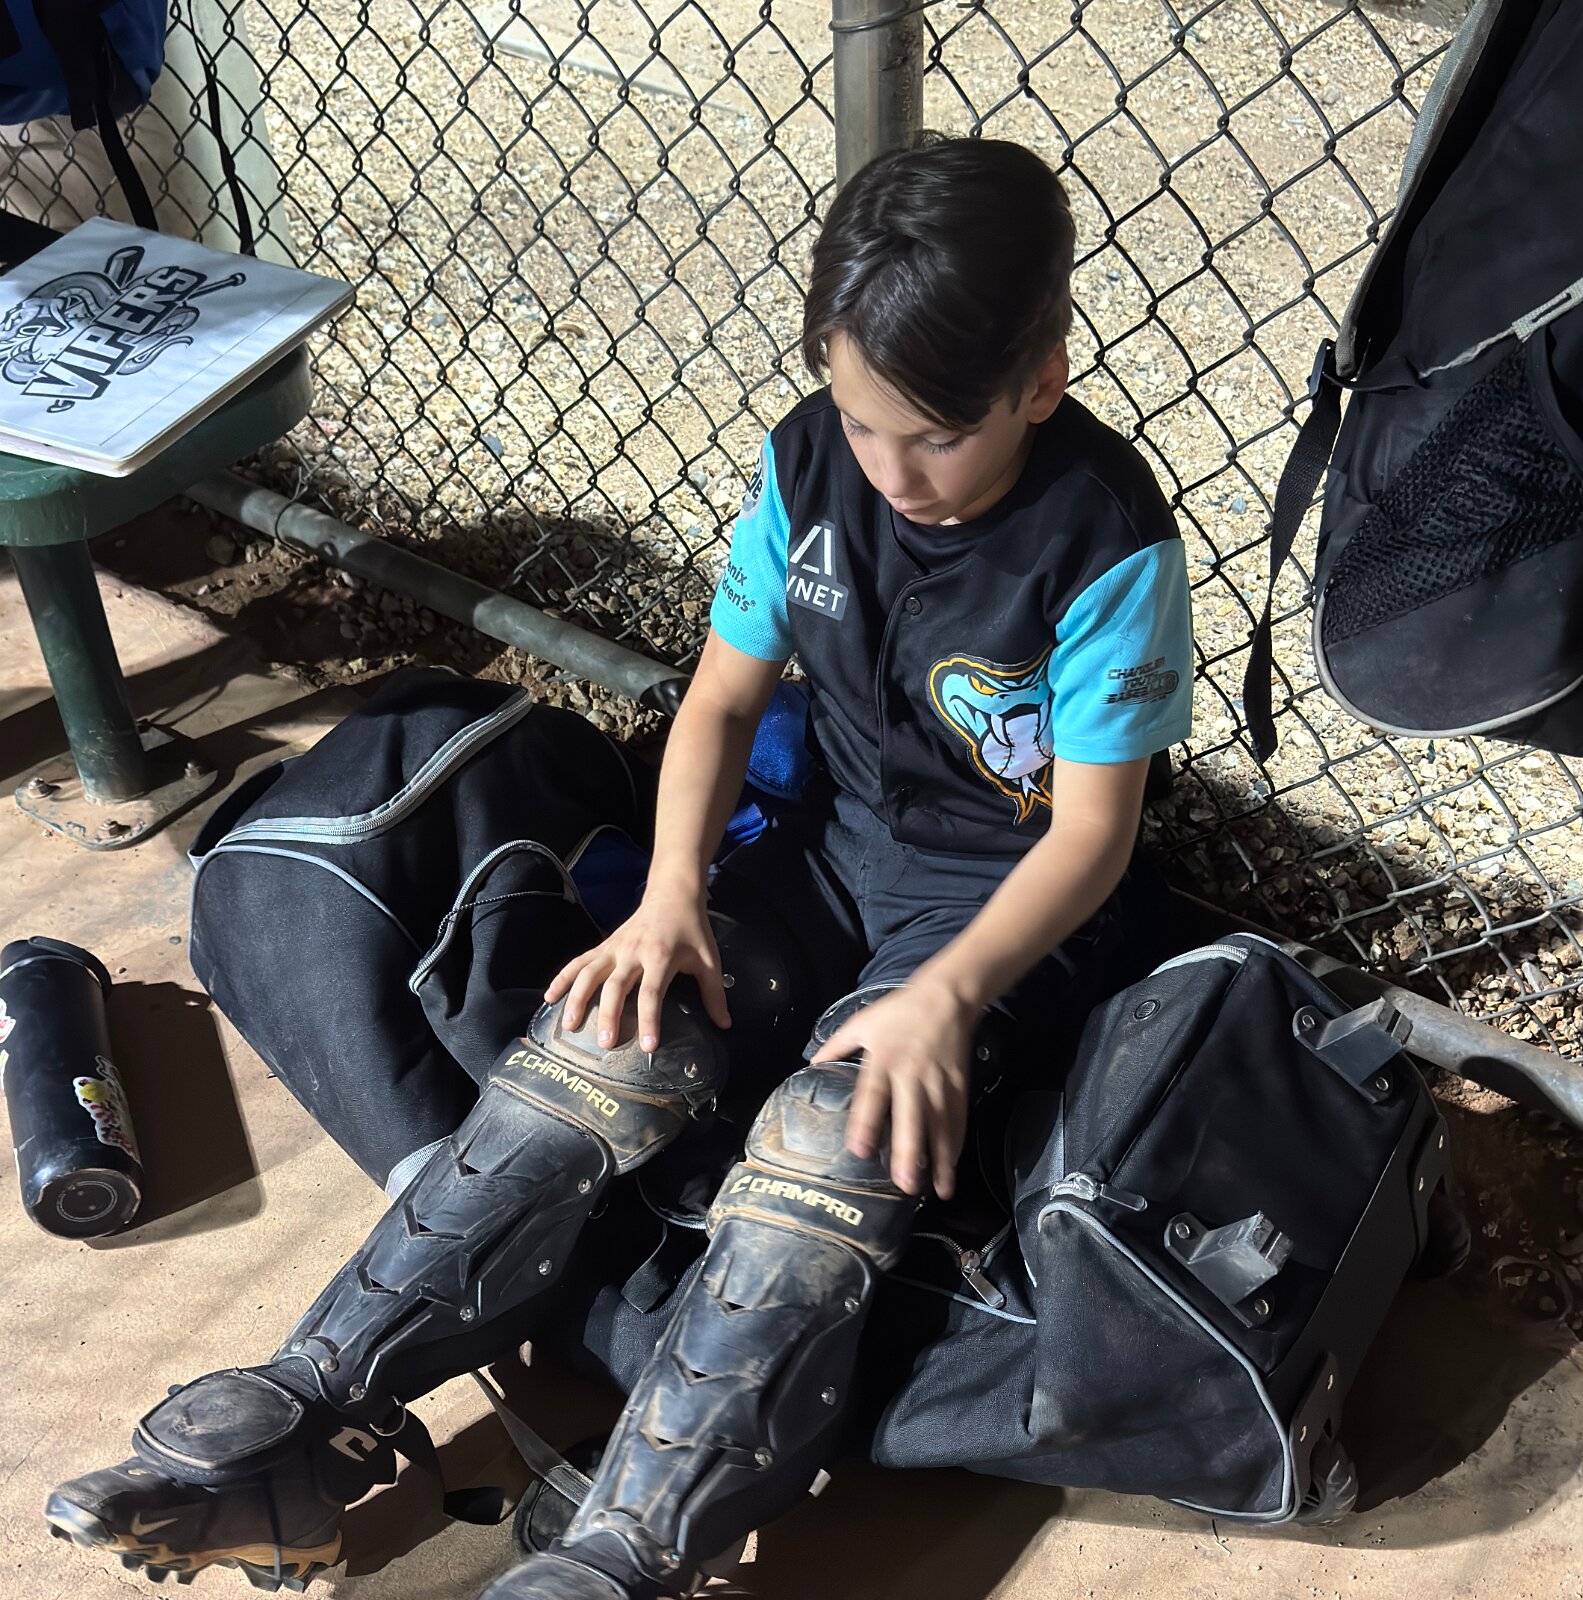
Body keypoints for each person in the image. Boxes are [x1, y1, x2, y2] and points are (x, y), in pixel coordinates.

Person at [42, 135, 1193, 1599]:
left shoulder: (1104, 539)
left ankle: (627, 1555)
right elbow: (719, 704)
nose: (893, 472)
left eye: (936, 439)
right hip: (830, 862)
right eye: (862, 422)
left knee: (833, 1130)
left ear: (1040, 380)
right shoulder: (811, 462)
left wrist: (946, 1002)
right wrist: (666, 899)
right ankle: (305, 1417)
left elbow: (1092, 835)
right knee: (606, 1035)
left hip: (1000, 916)